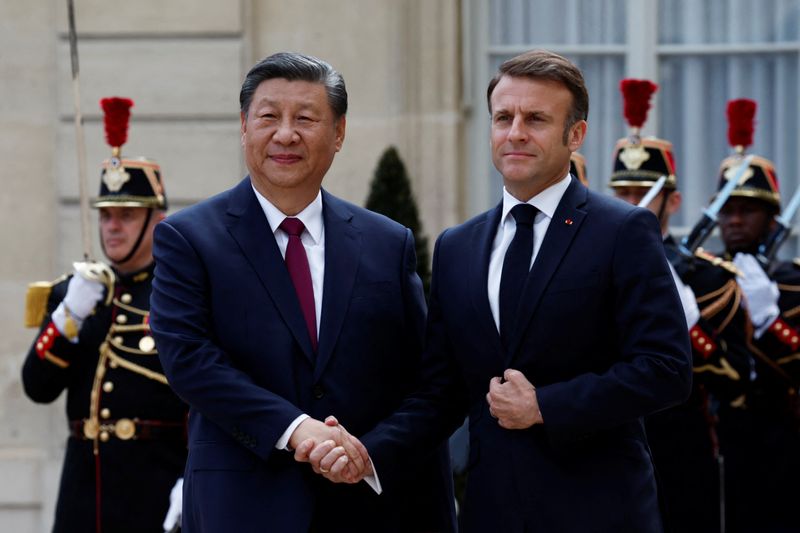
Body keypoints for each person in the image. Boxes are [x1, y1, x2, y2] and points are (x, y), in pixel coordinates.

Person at [367, 49, 692, 533]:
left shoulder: (623, 231)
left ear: (575, 134)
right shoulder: (458, 247)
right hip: (492, 513)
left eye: (536, 119)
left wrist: (546, 406)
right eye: (503, 117)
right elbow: (441, 394)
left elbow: (665, 370)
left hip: (601, 514)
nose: (515, 132)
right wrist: (366, 451)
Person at [149, 52, 456, 533]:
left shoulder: (386, 242)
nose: (286, 134)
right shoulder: (189, 238)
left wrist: (368, 455)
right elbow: (189, 360)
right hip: (244, 506)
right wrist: (298, 431)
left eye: (306, 118)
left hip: (368, 509)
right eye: (269, 116)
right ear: (244, 127)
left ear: (338, 134)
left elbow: (424, 379)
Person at [22, 97, 188, 533]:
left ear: (158, 221)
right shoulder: (74, 292)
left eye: (128, 215)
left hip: (156, 486)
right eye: (107, 215)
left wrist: (196, 476)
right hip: (83, 496)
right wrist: (67, 318)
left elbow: (205, 398)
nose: (113, 226)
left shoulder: (182, 293)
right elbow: (37, 387)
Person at [609, 79, 752, 533]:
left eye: (645, 194)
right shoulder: (592, 270)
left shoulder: (709, 279)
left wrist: (690, 330)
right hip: (609, 445)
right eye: (624, 194)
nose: (634, 204)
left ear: (673, 200)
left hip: (683, 448)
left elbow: (738, 380)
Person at [712, 98, 800, 533]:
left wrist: (768, 319)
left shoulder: (793, 284)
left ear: (772, 220)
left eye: (748, 210)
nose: (734, 221)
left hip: (782, 443)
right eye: (727, 211)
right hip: (718, 439)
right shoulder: (705, 280)